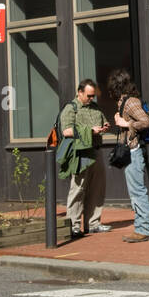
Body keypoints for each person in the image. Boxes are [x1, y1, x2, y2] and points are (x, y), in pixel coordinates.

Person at [59, 80, 110, 240]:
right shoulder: (71, 108)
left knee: (97, 189)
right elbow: (66, 131)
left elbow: (103, 121)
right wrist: (90, 131)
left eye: (93, 96)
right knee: (78, 190)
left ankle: (93, 224)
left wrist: (105, 126)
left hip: (96, 151)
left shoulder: (95, 108)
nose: (91, 98)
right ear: (80, 92)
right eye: (88, 95)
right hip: (80, 154)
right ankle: (73, 226)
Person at [108, 69, 149, 243]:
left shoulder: (130, 102)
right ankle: (141, 226)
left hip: (134, 152)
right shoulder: (125, 102)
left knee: (137, 191)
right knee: (135, 191)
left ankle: (144, 229)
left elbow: (145, 121)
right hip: (131, 151)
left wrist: (125, 123)